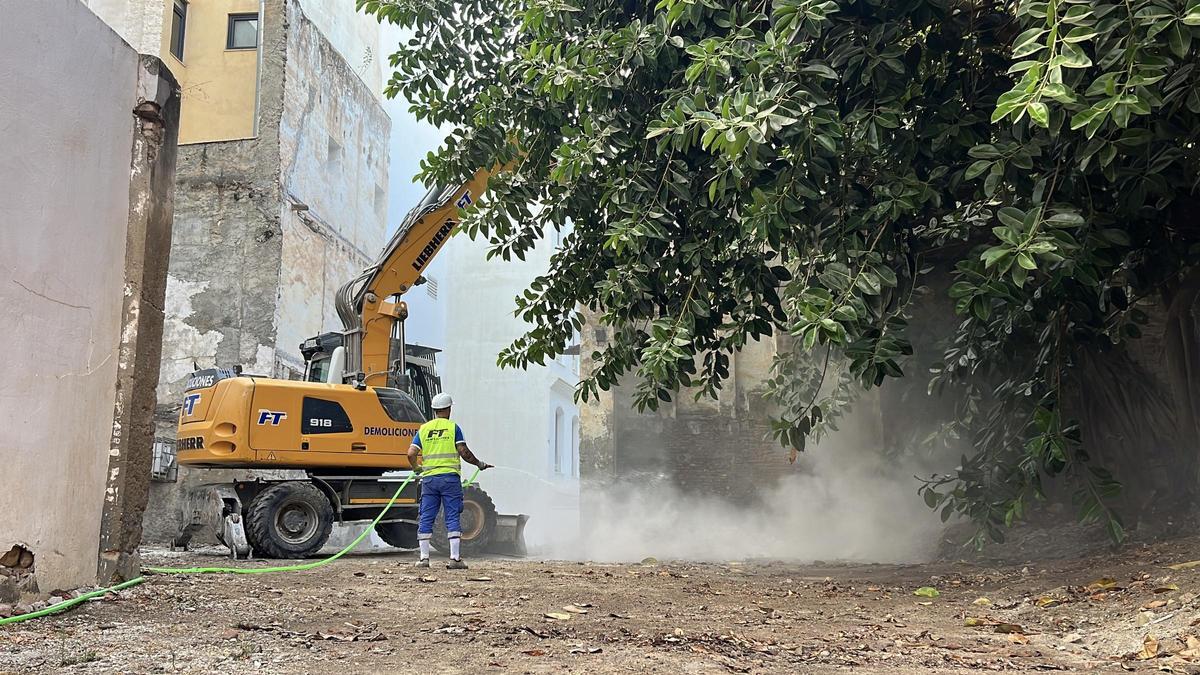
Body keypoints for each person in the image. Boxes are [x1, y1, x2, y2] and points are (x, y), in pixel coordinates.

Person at [408, 393, 492, 569]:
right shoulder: (453, 428)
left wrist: (417, 468)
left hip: (429, 480)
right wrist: (479, 464)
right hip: (449, 479)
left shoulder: (424, 429)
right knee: (452, 516)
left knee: (426, 516)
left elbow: (411, 454)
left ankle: (424, 559)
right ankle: (455, 559)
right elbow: (464, 452)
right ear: (448, 409)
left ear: (434, 410)